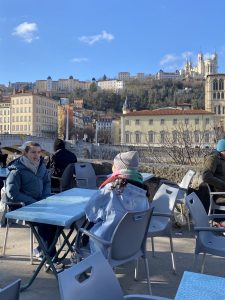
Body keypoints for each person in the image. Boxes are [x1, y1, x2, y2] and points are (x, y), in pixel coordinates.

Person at [80, 150, 150, 255]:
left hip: (105, 246)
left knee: (81, 225)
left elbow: (90, 213)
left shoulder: (110, 190)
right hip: (131, 246)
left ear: (118, 168)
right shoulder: (143, 193)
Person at [4, 141, 59, 267]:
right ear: (25, 153)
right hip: (21, 206)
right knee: (45, 221)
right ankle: (50, 259)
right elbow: (12, 193)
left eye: (39, 152)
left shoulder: (41, 166)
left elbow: (46, 182)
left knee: (57, 221)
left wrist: (44, 197)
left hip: (39, 204)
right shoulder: (16, 169)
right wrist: (33, 202)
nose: (37, 155)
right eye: (33, 152)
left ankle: (42, 250)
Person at [202, 138, 225, 213]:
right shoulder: (213, 158)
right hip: (221, 195)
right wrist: (223, 184)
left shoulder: (221, 159)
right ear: (223, 151)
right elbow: (206, 176)